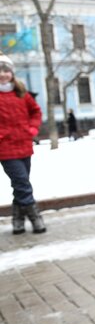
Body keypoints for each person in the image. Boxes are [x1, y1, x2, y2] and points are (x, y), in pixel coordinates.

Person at [0, 53, 46, 235]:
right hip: (5, 149)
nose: (3, 74)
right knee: (22, 183)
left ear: (11, 72)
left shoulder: (22, 93)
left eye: (6, 70)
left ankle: (17, 220)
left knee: (20, 184)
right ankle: (36, 218)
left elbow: (36, 112)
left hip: (24, 146)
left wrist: (32, 130)